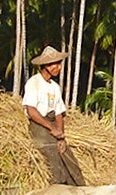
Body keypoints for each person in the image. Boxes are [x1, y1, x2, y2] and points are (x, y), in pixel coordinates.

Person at [22, 46, 86, 186]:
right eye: (54, 64)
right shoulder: (34, 82)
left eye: (59, 63)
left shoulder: (55, 87)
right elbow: (31, 111)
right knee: (53, 158)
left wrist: (61, 135)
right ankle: (56, 190)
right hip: (39, 125)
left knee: (69, 160)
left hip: (52, 126)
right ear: (45, 66)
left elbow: (59, 113)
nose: (58, 67)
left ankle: (79, 189)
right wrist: (51, 128)